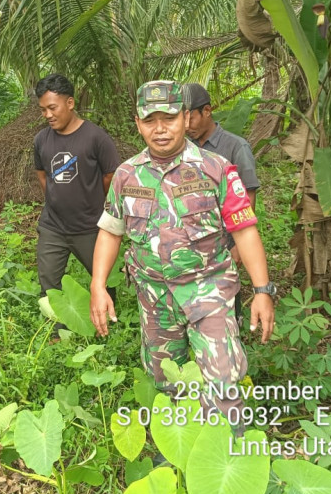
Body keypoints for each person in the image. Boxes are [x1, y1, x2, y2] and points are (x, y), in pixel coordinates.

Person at [89, 80, 275, 430]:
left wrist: (262, 291)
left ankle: (231, 458)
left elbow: (245, 231)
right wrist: (99, 286)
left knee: (223, 382)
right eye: (150, 120)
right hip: (155, 300)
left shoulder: (216, 168)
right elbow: (110, 231)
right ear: (137, 122)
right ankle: (173, 459)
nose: (160, 129)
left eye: (169, 118)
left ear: (185, 118)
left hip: (209, 293)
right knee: (168, 384)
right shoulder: (127, 175)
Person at [33, 73, 120, 304]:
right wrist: (56, 198)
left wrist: (91, 200)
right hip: (53, 227)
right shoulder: (41, 139)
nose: (48, 115)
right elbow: (42, 173)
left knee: (104, 281)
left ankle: (110, 323)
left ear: (70, 103)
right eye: (43, 110)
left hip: (89, 227)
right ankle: (54, 333)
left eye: (52, 107)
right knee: (49, 285)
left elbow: (110, 175)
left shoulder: (96, 137)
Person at [183, 82, 261, 324]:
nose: (186, 126)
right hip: (191, 240)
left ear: (207, 111)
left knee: (226, 297)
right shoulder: (183, 148)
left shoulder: (235, 147)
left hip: (225, 239)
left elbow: (248, 196)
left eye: (191, 118)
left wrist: (238, 244)